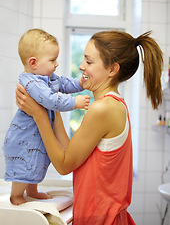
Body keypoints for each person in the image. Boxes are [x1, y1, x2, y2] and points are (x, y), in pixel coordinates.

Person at [15, 30, 163, 224]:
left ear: (112, 70)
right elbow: (72, 154)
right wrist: (51, 105)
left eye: (89, 61)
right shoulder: (114, 104)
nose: (81, 65)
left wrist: (39, 115)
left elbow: (64, 165)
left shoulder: (103, 108)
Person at [3, 28, 90, 206]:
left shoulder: (48, 78)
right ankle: (16, 195)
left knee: (36, 164)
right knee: (24, 166)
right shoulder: (31, 81)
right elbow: (51, 100)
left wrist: (79, 83)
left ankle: (32, 190)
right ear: (33, 63)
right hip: (24, 139)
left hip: (37, 137)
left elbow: (64, 83)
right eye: (52, 60)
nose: (56, 64)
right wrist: (75, 102)